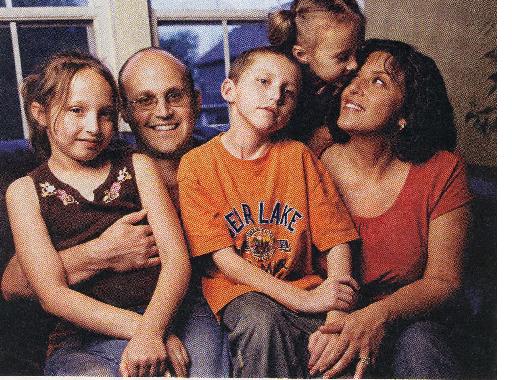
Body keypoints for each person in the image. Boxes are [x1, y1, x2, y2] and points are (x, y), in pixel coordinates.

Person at [177, 46, 360, 378]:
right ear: (228, 90)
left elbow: (337, 242)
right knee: (263, 323)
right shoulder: (198, 165)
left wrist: (336, 315)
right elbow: (225, 261)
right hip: (239, 291)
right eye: (263, 82)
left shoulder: (299, 157)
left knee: (338, 359)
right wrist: (302, 301)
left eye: (287, 93)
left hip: (307, 288)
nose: (275, 96)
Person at [6, 51, 191, 377]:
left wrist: (154, 325)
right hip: (83, 335)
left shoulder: (138, 166)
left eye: (105, 114)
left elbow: (177, 260)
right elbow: (52, 295)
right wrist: (146, 331)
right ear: (40, 112)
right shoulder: (23, 192)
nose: (93, 127)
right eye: (76, 111)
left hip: (165, 311)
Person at [307, 39, 472, 378]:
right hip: (322, 318)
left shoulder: (443, 170)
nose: (354, 89)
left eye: (377, 81)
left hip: (405, 321)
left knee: (421, 343)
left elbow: (444, 281)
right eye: (355, 78)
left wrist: (376, 316)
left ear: (406, 114)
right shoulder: (312, 158)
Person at [118, 47, 230, 377]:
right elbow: (13, 283)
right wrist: (98, 254)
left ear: (196, 100)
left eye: (174, 96)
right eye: (145, 100)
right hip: (138, 307)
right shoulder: (107, 171)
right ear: (125, 110)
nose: (164, 111)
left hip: (214, 302)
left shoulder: (226, 156)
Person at [268, 0, 365, 153]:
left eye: (358, 52)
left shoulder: (345, 82)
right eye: (342, 57)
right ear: (302, 55)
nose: (354, 64)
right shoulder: (284, 94)